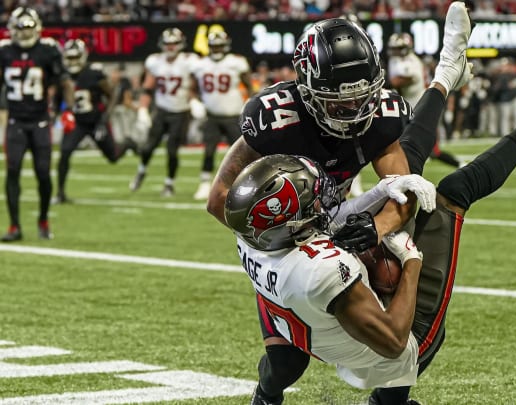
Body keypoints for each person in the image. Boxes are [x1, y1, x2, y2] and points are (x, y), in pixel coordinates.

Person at [223, 38, 516, 405]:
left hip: (311, 313)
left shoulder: (257, 237)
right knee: (454, 193)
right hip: (394, 343)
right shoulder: (322, 270)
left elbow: (323, 219)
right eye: (315, 197)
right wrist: (409, 259)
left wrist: (384, 202)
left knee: (406, 170)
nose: (329, 196)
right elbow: (394, 343)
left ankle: (446, 70)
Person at [208, 3, 473, 404]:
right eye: (338, 103)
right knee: (286, 365)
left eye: (361, 98)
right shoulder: (275, 120)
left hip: (331, 218)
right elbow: (221, 201)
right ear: (308, 90)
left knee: (411, 180)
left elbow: (399, 197)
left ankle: (446, 71)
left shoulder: (380, 115)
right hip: (279, 239)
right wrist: (284, 237)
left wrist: (376, 229)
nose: (353, 111)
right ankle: (265, 396)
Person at [1, 7, 74, 242]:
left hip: (41, 120)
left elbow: (65, 82)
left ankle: (43, 219)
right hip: (15, 121)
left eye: (28, 27)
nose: (24, 33)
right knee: (12, 172)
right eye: (20, 28)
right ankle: (14, 226)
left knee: (43, 174)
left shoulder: (48, 50)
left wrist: (68, 111)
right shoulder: (4, 52)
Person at [53, 39, 133, 204]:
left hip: (96, 121)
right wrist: (60, 114)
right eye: (70, 58)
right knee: (65, 153)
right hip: (77, 123)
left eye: (76, 57)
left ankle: (128, 144)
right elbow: (57, 99)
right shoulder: (63, 75)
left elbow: (112, 95)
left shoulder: (94, 73)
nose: (73, 61)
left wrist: (104, 119)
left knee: (113, 157)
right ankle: (60, 193)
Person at [129, 27, 199, 197]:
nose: (170, 47)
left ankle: (169, 184)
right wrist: (143, 109)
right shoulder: (155, 62)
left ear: (180, 44)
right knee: (148, 147)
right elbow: (147, 88)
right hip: (161, 110)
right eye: (167, 43)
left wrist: (195, 100)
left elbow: (196, 85)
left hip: (180, 111)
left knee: (172, 151)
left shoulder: (189, 61)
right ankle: (141, 171)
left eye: (174, 43)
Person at [191, 30, 253, 200]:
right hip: (212, 115)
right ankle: (204, 183)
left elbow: (249, 85)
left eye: (219, 46)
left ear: (225, 47)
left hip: (233, 115)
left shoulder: (236, 62)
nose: (216, 49)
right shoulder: (200, 65)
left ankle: (247, 183)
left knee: (241, 153)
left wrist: (251, 102)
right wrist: (194, 101)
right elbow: (192, 87)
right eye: (214, 46)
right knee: (209, 149)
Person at [387, 32, 462, 168]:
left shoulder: (411, 62)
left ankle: (459, 164)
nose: (394, 51)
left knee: (433, 151)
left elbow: (396, 81)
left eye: (397, 48)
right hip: (409, 109)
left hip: (419, 110)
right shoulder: (400, 61)